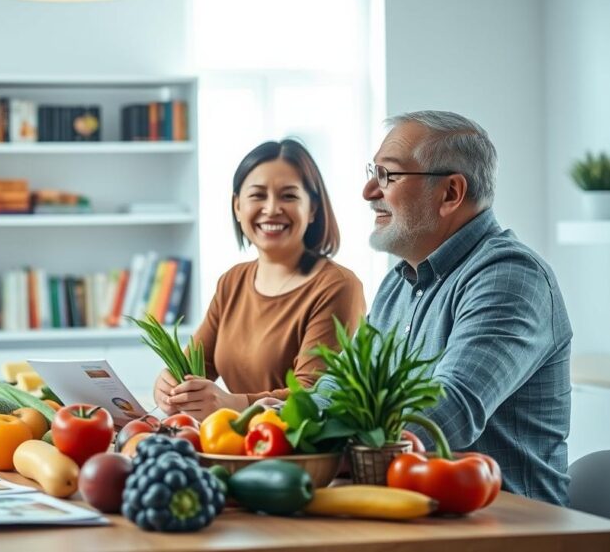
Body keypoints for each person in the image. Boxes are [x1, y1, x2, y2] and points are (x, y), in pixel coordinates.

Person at [363, 110, 571, 505]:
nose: (370, 191)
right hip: (418, 513)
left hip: (511, 530)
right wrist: (285, 421)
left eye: (387, 175)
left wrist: (325, 436)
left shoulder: (509, 276)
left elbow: (449, 408)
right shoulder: (397, 283)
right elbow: (344, 387)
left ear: (450, 194)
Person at [153, 138, 365, 420]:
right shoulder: (232, 281)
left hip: (300, 453)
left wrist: (234, 404)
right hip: (234, 446)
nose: (272, 208)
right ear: (237, 206)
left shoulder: (337, 285)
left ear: (313, 209)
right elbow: (194, 366)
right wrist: (170, 385)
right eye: (258, 195)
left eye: (288, 196)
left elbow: (313, 397)